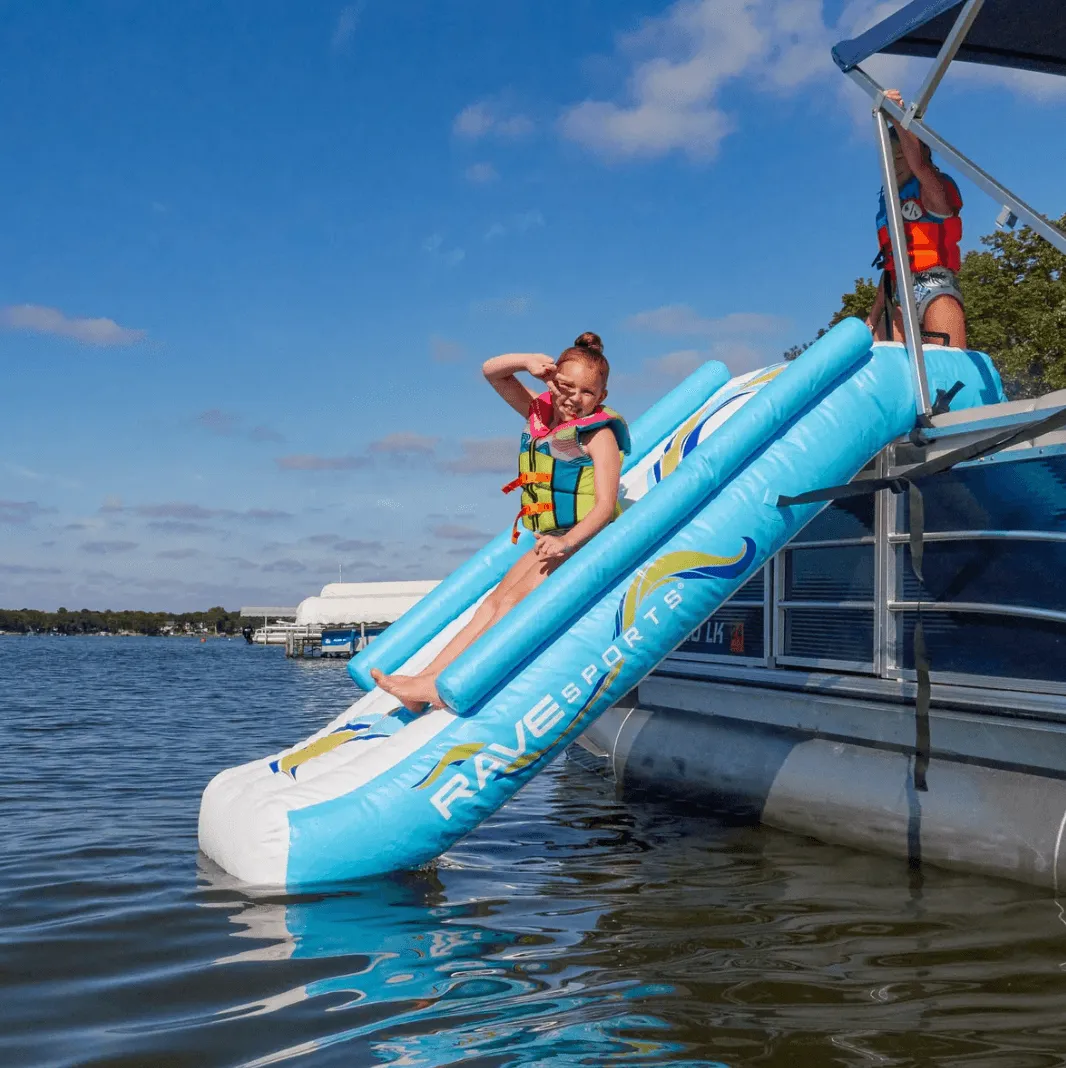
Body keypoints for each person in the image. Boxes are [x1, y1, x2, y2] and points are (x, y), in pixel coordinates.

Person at [370, 332, 630, 712]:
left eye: (587, 392)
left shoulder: (598, 435)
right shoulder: (539, 415)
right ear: (552, 380)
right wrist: (526, 360)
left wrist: (567, 542)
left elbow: (605, 506)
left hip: (587, 539)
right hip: (554, 535)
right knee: (492, 603)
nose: (573, 397)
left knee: (511, 604)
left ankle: (448, 685)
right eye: (565, 385)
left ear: (601, 398)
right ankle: (427, 680)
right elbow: (492, 372)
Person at [866, 88, 967, 349]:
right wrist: (872, 318)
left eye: (900, 157)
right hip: (899, 292)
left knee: (948, 364)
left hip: (935, 287)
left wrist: (898, 117)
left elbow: (918, 164)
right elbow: (891, 267)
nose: (895, 164)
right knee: (882, 356)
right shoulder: (889, 203)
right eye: (890, 159)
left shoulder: (934, 192)